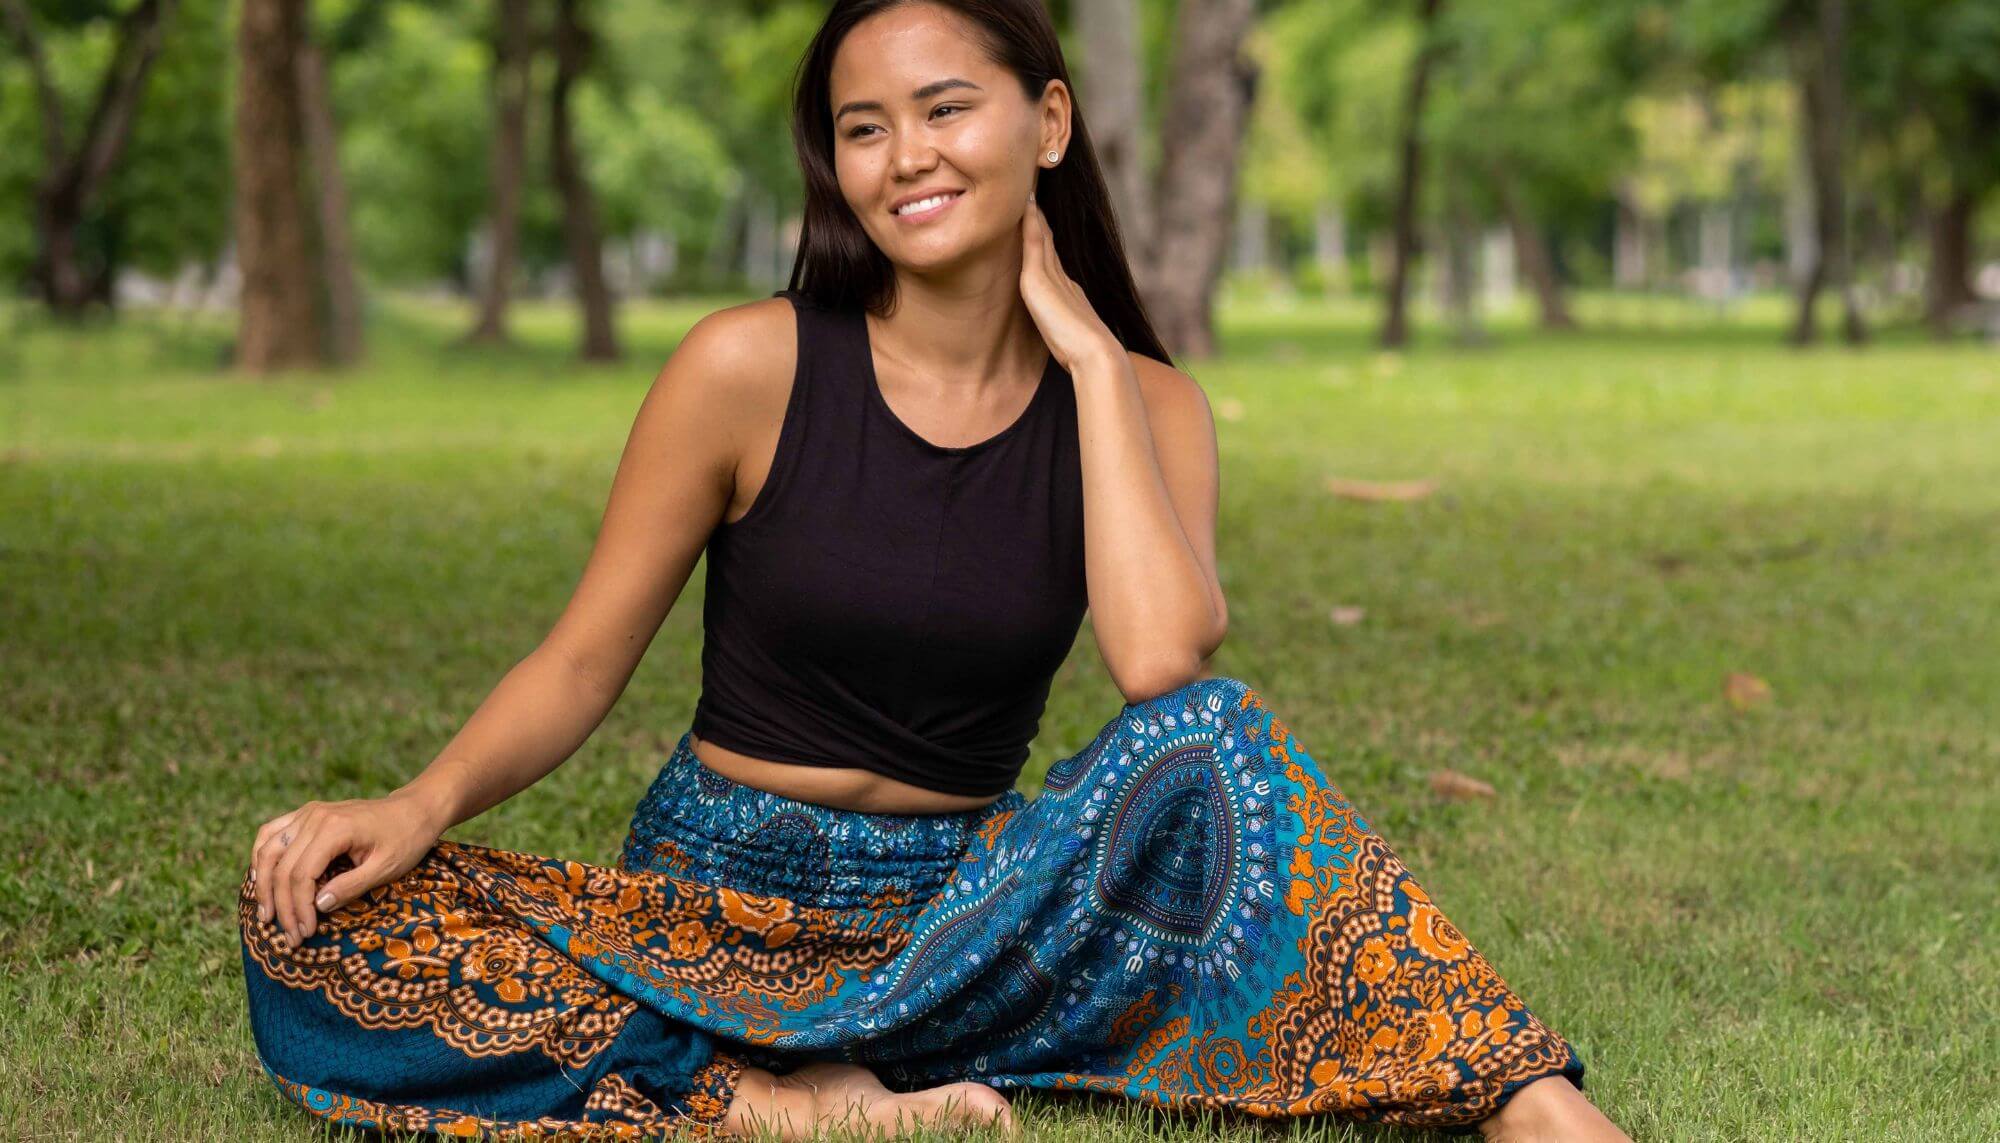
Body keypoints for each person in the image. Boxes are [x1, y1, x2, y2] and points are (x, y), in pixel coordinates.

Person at [238, 1, 1631, 1140]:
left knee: (1222, 741)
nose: (905, 155)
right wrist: (418, 804)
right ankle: (757, 1099)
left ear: (1051, 119)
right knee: (301, 928)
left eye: (945, 107)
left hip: (964, 928)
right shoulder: (747, 366)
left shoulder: (1146, 405)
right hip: (719, 909)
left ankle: (1524, 1100)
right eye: (863, 128)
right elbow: (581, 662)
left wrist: (1089, 360)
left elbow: (1161, 670)